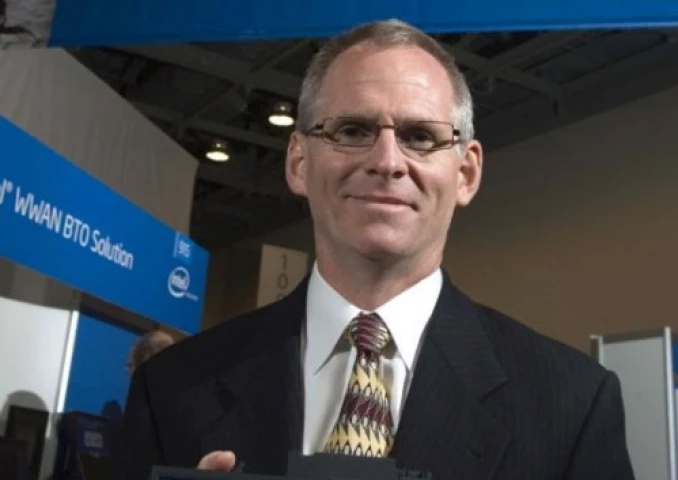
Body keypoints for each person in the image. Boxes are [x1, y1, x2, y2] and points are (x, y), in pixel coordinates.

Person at [119, 19, 634, 480]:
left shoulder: (573, 403)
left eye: (420, 136)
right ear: (298, 162)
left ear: (466, 173)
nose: (387, 161)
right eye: (352, 130)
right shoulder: (170, 389)